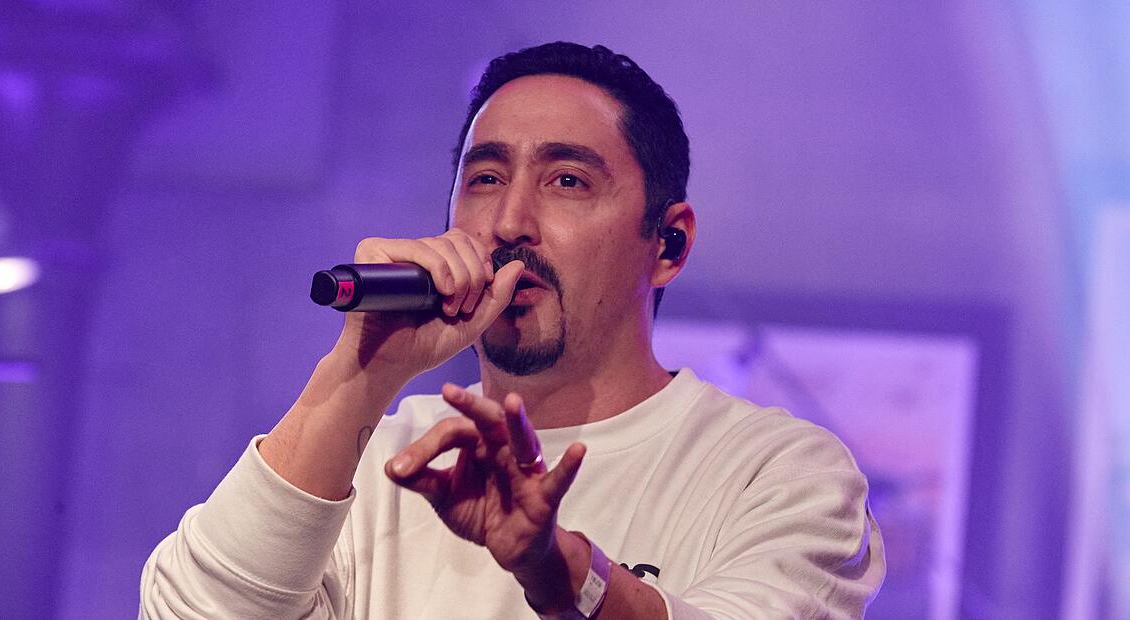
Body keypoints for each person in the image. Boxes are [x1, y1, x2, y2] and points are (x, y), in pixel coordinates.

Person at [140, 41, 884, 619]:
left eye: (568, 181)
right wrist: (360, 374)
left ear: (668, 244)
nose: (509, 223)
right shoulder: (372, 463)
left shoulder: (776, 472)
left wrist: (562, 573)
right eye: (486, 179)